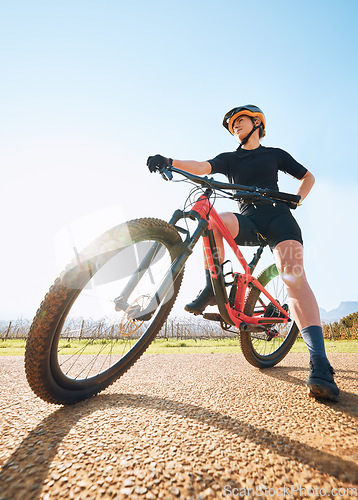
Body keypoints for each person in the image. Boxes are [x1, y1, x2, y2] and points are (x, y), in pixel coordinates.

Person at [147, 104, 339, 402]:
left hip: (279, 217)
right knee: (211, 220)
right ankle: (214, 285)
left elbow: (308, 177)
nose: (236, 125)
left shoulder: (275, 154)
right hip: (248, 218)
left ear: (257, 124)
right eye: (232, 123)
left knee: (293, 278)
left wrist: (295, 200)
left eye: (241, 120)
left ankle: (320, 362)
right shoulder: (230, 159)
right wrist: (169, 160)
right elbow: (201, 166)